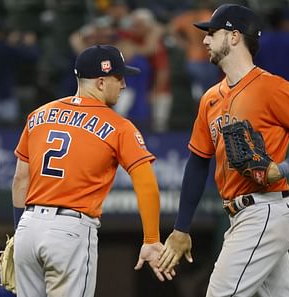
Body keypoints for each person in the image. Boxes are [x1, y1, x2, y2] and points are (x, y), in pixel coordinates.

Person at [158, 4, 289, 297]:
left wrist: (283, 168)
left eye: (212, 33)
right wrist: (181, 228)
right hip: (241, 214)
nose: (204, 40)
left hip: (264, 208)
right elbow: (199, 163)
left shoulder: (272, 87)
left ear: (235, 36)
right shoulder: (209, 99)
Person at [12, 45, 173, 297]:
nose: (123, 85)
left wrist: (19, 230)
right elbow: (147, 186)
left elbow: (21, 179)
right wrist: (151, 239)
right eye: (118, 78)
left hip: (27, 229)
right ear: (100, 82)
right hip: (69, 232)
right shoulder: (120, 126)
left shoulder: (38, 115)